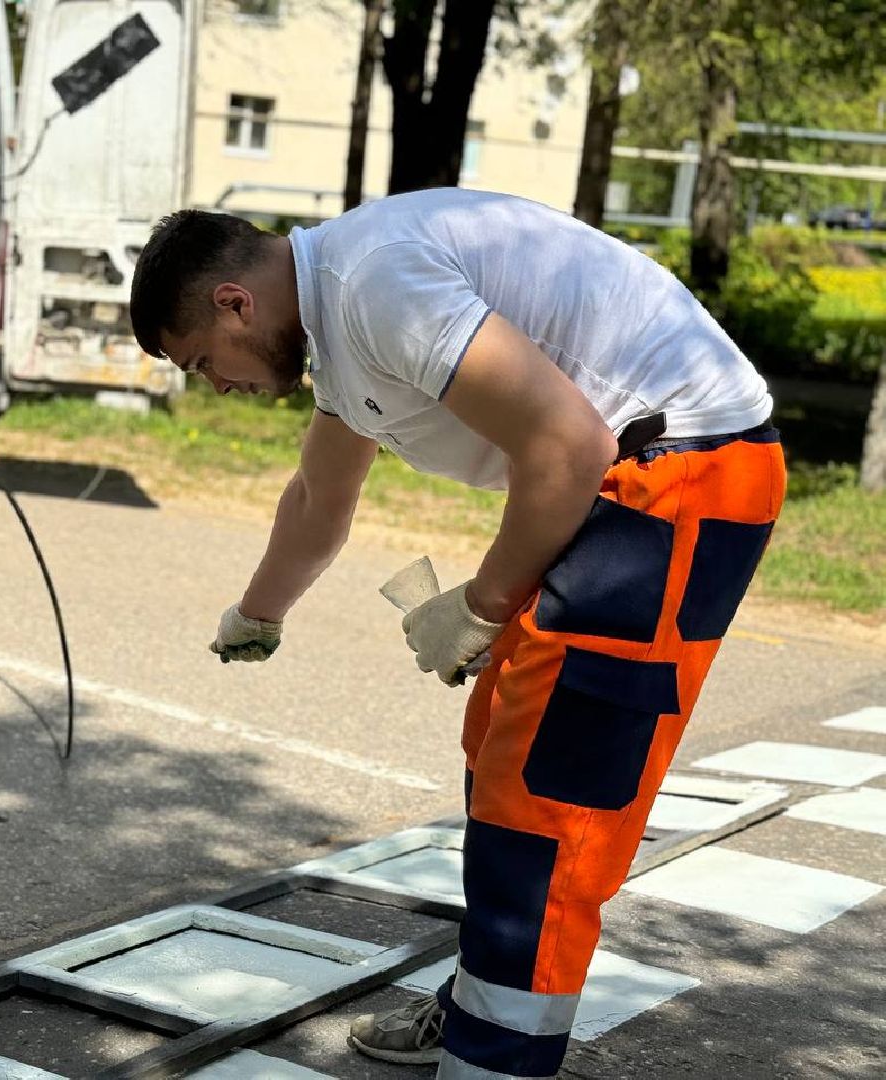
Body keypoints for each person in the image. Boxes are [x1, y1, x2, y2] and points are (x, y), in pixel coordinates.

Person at [128, 190, 784, 1079]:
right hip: (628, 477)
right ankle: (485, 1007)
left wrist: (481, 604)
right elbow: (321, 499)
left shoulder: (372, 282)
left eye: (205, 361)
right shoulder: (337, 314)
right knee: (498, 748)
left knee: (549, 797)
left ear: (233, 302)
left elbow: (565, 446)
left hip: (684, 473)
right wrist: (259, 611)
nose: (219, 385)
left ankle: (498, 1060)